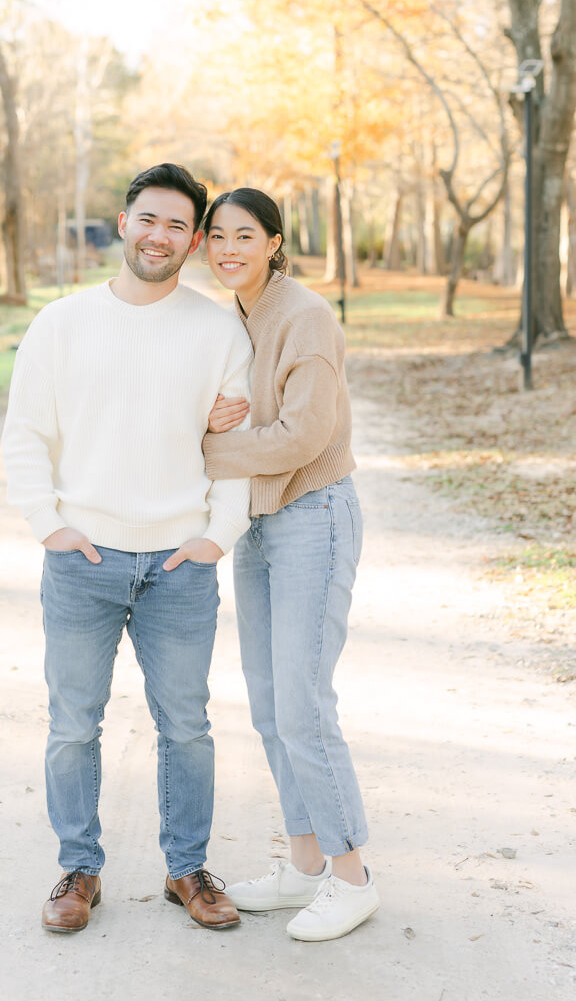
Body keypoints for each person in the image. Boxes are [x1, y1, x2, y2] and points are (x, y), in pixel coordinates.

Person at [1, 164, 251, 934]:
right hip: (84, 562)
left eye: (179, 225)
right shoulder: (61, 323)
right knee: (74, 722)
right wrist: (50, 526)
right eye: (150, 218)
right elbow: (25, 436)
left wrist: (218, 536)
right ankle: (78, 869)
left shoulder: (216, 329)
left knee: (187, 726)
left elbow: (232, 444)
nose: (161, 235)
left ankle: (187, 870)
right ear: (123, 222)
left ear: (195, 240)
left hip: (180, 564)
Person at [201, 187, 379, 942]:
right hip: (261, 525)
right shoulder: (234, 319)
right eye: (217, 236)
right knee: (271, 706)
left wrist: (202, 450)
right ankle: (304, 867)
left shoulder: (305, 314)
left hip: (315, 517)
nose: (228, 248)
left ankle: (353, 877)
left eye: (245, 235)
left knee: (305, 706)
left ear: (275, 241)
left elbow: (304, 436)